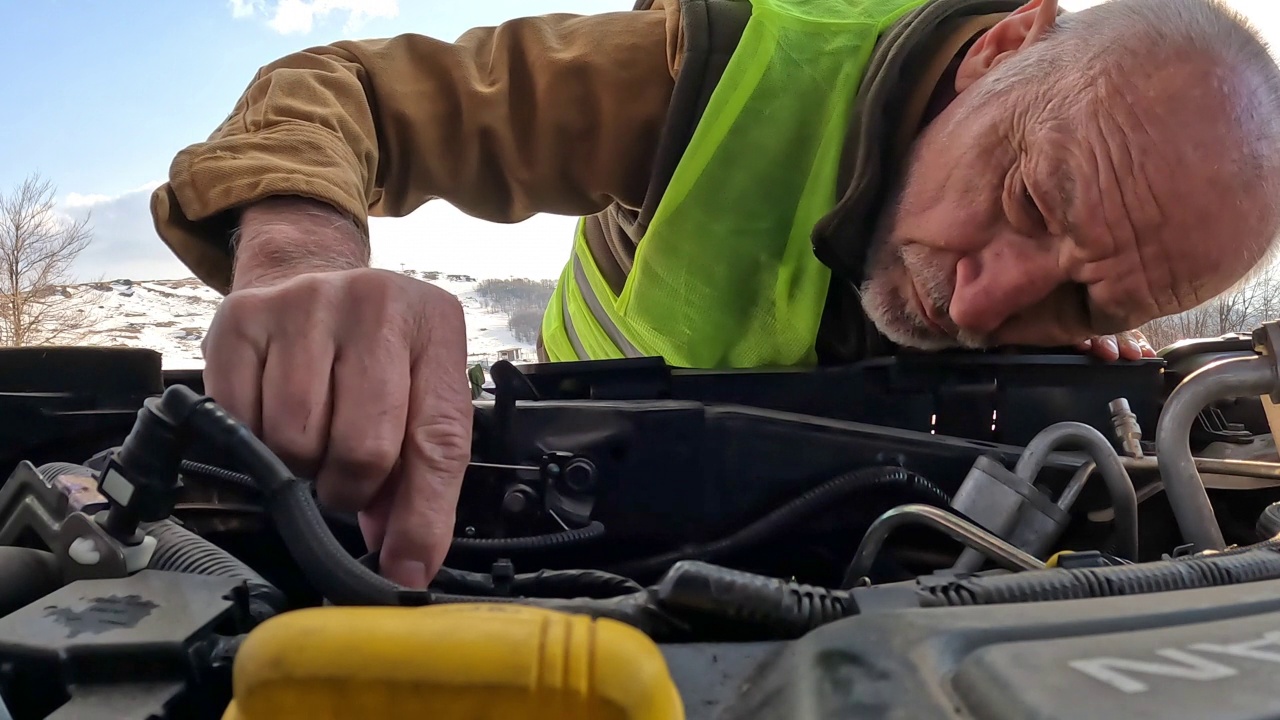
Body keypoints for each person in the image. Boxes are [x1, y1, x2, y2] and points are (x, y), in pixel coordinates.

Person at [150, 0, 1280, 588]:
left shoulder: (1079, 228)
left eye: (1083, 298)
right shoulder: (705, 76)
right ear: (999, 50)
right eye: (1027, 198)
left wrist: (1065, 363)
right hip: (569, 506)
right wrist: (306, 262)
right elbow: (340, 87)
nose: (984, 308)